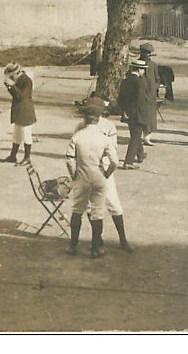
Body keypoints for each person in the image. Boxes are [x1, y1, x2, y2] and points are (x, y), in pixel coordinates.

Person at [65, 97, 133, 257]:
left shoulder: (108, 126)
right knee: (94, 209)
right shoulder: (82, 126)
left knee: (113, 205)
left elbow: (73, 155)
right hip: (100, 171)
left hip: (98, 170)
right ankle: (97, 242)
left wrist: (75, 173)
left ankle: (122, 239)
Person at [117, 59, 152, 169]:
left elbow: (121, 99)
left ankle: (140, 154)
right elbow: (141, 100)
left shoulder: (125, 81)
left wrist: (123, 111)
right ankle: (128, 162)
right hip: (138, 113)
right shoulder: (140, 82)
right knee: (136, 137)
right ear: (140, 70)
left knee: (134, 134)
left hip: (128, 113)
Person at [2, 62, 37, 166]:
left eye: (12, 76)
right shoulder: (18, 80)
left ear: (17, 73)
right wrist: (9, 87)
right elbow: (15, 95)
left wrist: (12, 86)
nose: (11, 78)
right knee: (16, 135)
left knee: (26, 135)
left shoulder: (27, 81)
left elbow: (21, 97)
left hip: (26, 112)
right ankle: (13, 156)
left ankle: (27, 158)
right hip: (18, 111)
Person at [137, 43, 161, 146]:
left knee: (151, 116)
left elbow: (157, 78)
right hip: (140, 94)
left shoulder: (153, 65)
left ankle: (147, 137)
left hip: (151, 95)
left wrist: (156, 87)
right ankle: (138, 136)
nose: (148, 55)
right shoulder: (137, 63)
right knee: (140, 115)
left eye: (149, 53)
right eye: (146, 53)